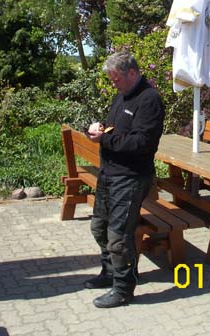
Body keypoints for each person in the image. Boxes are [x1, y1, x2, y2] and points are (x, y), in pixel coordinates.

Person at [85, 51, 165, 308]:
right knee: (99, 228)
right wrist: (99, 129)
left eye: (116, 78)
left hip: (130, 177)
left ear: (132, 73)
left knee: (118, 236)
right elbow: (115, 128)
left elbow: (142, 142)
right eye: (111, 79)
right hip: (109, 173)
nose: (113, 83)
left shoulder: (149, 100)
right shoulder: (122, 95)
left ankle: (123, 289)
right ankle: (110, 273)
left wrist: (105, 139)